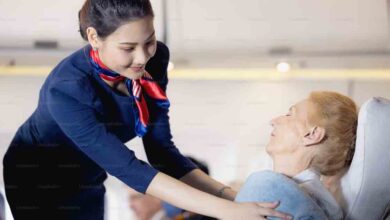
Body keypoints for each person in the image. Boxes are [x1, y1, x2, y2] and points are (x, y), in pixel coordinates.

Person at [2, 1, 292, 220]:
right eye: (128, 48)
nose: (141, 58)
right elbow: (129, 169)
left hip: (89, 176)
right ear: (93, 37)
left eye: (149, 41)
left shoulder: (154, 60)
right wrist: (226, 211)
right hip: (37, 178)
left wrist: (233, 198)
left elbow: (162, 152)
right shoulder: (67, 89)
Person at [235, 91, 358, 219]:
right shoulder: (318, 200)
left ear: (312, 135)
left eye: (289, 115)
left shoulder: (268, 187)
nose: (273, 121)